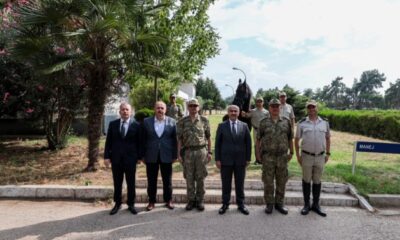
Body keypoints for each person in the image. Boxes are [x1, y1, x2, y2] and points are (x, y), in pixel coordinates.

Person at [257, 98, 294, 215]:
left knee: (281, 181)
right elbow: (258, 140)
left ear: (280, 108)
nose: (275, 108)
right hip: (268, 157)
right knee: (268, 181)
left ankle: (279, 203)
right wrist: (258, 155)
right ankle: (269, 204)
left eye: (277, 106)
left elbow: (290, 139)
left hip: (282, 157)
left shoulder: (286, 121)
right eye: (272, 106)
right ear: (269, 108)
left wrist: (291, 152)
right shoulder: (263, 122)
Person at [295, 100, 331, 217]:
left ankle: (316, 205)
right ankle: (306, 205)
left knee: (317, 181)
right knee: (306, 180)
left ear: (317, 108)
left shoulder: (324, 123)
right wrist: (298, 156)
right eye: (309, 107)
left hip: (320, 156)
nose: (311, 109)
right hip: (306, 156)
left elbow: (328, 138)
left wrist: (328, 153)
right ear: (307, 109)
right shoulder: (302, 123)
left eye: (313, 107)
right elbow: (296, 140)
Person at [140, 101, 177, 211]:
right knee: (151, 180)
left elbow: (175, 140)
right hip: (151, 155)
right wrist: (142, 155)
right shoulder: (146, 122)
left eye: (162, 108)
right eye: (158, 108)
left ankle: (168, 200)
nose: (160, 110)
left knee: (167, 180)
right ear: (154, 109)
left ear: (165, 110)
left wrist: (175, 155)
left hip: (167, 155)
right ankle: (151, 201)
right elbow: (142, 140)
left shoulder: (172, 122)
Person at [104, 103, 140, 215]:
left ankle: (131, 204)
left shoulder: (137, 125)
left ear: (131, 112)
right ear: (119, 112)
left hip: (131, 159)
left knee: (131, 182)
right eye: (123, 110)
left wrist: (139, 157)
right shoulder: (113, 124)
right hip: (116, 159)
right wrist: (106, 157)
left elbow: (140, 143)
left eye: (127, 110)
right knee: (117, 182)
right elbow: (108, 142)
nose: (125, 111)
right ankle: (117, 203)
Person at [215, 105, 252, 215]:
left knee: (240, 183)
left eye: (235, 111)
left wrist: (248, 158)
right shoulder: (221, 126)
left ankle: (241, 204)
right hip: (225, 160)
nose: (233, 113)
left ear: (239, 113)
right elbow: (218, 144)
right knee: (226, 183)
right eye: (231, 111)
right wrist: (217, 159)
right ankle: (225, 204)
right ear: (228, 112)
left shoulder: (244, 126)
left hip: (240, 160)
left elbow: (248, 144)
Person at [176, 98, 212, 211]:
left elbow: (209, 138)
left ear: (198, 107)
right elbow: (180, 140)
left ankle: (200, 200)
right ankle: (191, 200)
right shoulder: (182, 121)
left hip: (201, 151)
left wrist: (210, 152)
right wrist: (179, 154)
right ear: (188, 107)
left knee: (200, 177)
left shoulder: (204, 120)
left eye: (195, 106)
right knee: (189, 177)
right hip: (188, 152)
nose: (193, 108)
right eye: (191, 106)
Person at [241, 96, 270, 164]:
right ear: (256, 103)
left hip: (264, 130)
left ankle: (263, 159)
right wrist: (243, 114)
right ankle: (257, 159)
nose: (259, 103)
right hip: (256, 130)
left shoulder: (266, 112)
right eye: (258, 101)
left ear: (263, 103)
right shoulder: (253, 111)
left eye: (260, 101)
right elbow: (247, 116)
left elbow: (269, 120)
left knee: (263, 145)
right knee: (256, 144)